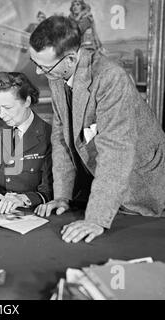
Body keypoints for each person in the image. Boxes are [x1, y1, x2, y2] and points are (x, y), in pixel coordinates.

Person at [28, 16, 165, 243]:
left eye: (43, 66)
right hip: (106, 187)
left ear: (71, 59)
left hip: (142, 188)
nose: (39, 72)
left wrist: (96, 219)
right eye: (35, 63)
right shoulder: (57, 73)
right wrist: (62, 196)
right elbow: (61, 139)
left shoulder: (110, 77)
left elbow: (116, 151)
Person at [0, 72, 52, 214]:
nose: (2, 114)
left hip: (30, 213)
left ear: (27, 101)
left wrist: (23, 199)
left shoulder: (49, 136)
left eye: (7, 108)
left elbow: (48, 190)